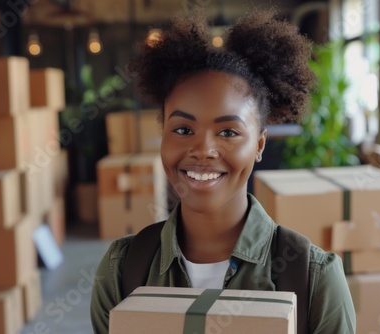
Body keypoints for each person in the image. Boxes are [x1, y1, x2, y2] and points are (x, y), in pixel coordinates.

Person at [91, 9, 356, 334]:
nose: (203, 150)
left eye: (228, 132)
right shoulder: (123, 269)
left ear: (259, 145)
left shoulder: (312, 277)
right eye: (183, 130)